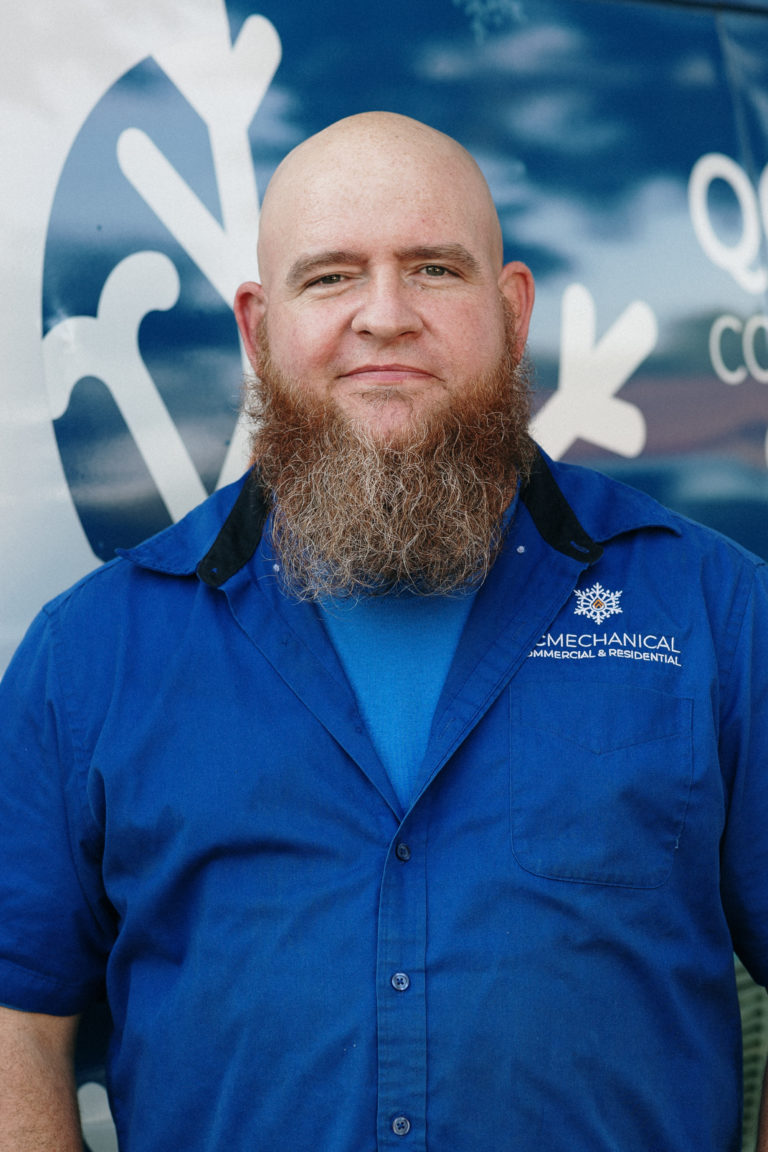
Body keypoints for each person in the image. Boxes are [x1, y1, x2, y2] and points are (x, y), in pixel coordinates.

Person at [0, 111, 767, 1152]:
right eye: (330, 277)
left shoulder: (715, 610)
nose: (385, 315)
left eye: (435, 270)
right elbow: (19, 1028)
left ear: (511, 310)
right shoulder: (88, 655)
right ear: (256, 327)